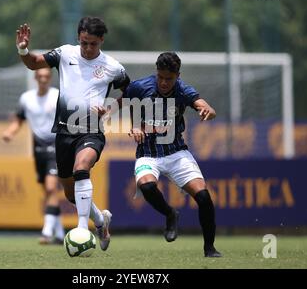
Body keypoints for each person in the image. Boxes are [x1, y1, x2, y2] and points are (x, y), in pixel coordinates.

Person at [15, 16, 130, 251]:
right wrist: (23, 48)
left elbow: (131, 90)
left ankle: (80, 230)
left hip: (91, 131)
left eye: (94, 44)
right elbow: (34, 63)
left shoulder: (113, 67)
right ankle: (100, 221)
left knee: (82, 168)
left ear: (102, 41)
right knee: (70, 193)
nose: (88, 48)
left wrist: (110, 108)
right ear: (79, 37)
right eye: (85, 42)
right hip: (64, 133)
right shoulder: (65, 54)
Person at [122, 52, 222, 257]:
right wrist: (135, 126)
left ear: (178, 76)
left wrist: (209, 111)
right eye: (160, 77)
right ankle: (170, 214)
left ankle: (209, 248)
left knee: (203, 197)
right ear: (156, 73)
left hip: (176, 152)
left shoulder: (183, 90)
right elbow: (126, 101)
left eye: (169, 78)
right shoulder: (141, 86)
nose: (164, 82)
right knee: (147, 185)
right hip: (148, 153)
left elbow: (203, 105)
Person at [2, 68, 65, 245]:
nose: (44, 79)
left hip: (56, 146)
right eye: (41, 76)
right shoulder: (26, 98)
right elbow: (18, 120)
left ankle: (46, 232)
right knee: (47, 192)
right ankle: (59, 234)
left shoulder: (58, 96)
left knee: (52, 188)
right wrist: (10, 132)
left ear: (50, 78)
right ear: (36, 78)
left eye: (46, 76)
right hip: (38, 149)